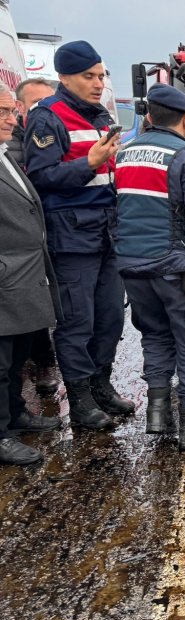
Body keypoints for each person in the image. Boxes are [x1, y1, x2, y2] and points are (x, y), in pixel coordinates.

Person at [23, 40, 133, 430]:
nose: (98, 83)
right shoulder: (47, 117)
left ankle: (101, 384)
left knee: (110, 320)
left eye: (102, 75)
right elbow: (40, 178)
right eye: (89, 76)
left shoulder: (101, 117)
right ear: (65, 77)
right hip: (72, 241)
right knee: (76, 324)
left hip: (107, 236)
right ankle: (81, 398)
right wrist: (88, 164)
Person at [113, 85, 185, 450]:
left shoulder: (125, 153)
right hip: (178, 271)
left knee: (156, 337)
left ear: (149, 117)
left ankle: (158, 415)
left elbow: (115, 212)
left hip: (134, 269)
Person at [0, 83, 61, 464]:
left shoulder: (6, 154)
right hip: (6, 278)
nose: (12, 118)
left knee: (15, 356)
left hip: (22, 279)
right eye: (3, 112)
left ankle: (15, 415)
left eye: (12, 111)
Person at [11, 78, 60, 395]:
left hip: (47, 236)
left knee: (42, 304)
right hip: (17, 244)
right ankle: (39, 363)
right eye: (37, 103)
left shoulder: (52, 138)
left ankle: (43, 361)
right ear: (20, 107)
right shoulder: (12, 144)